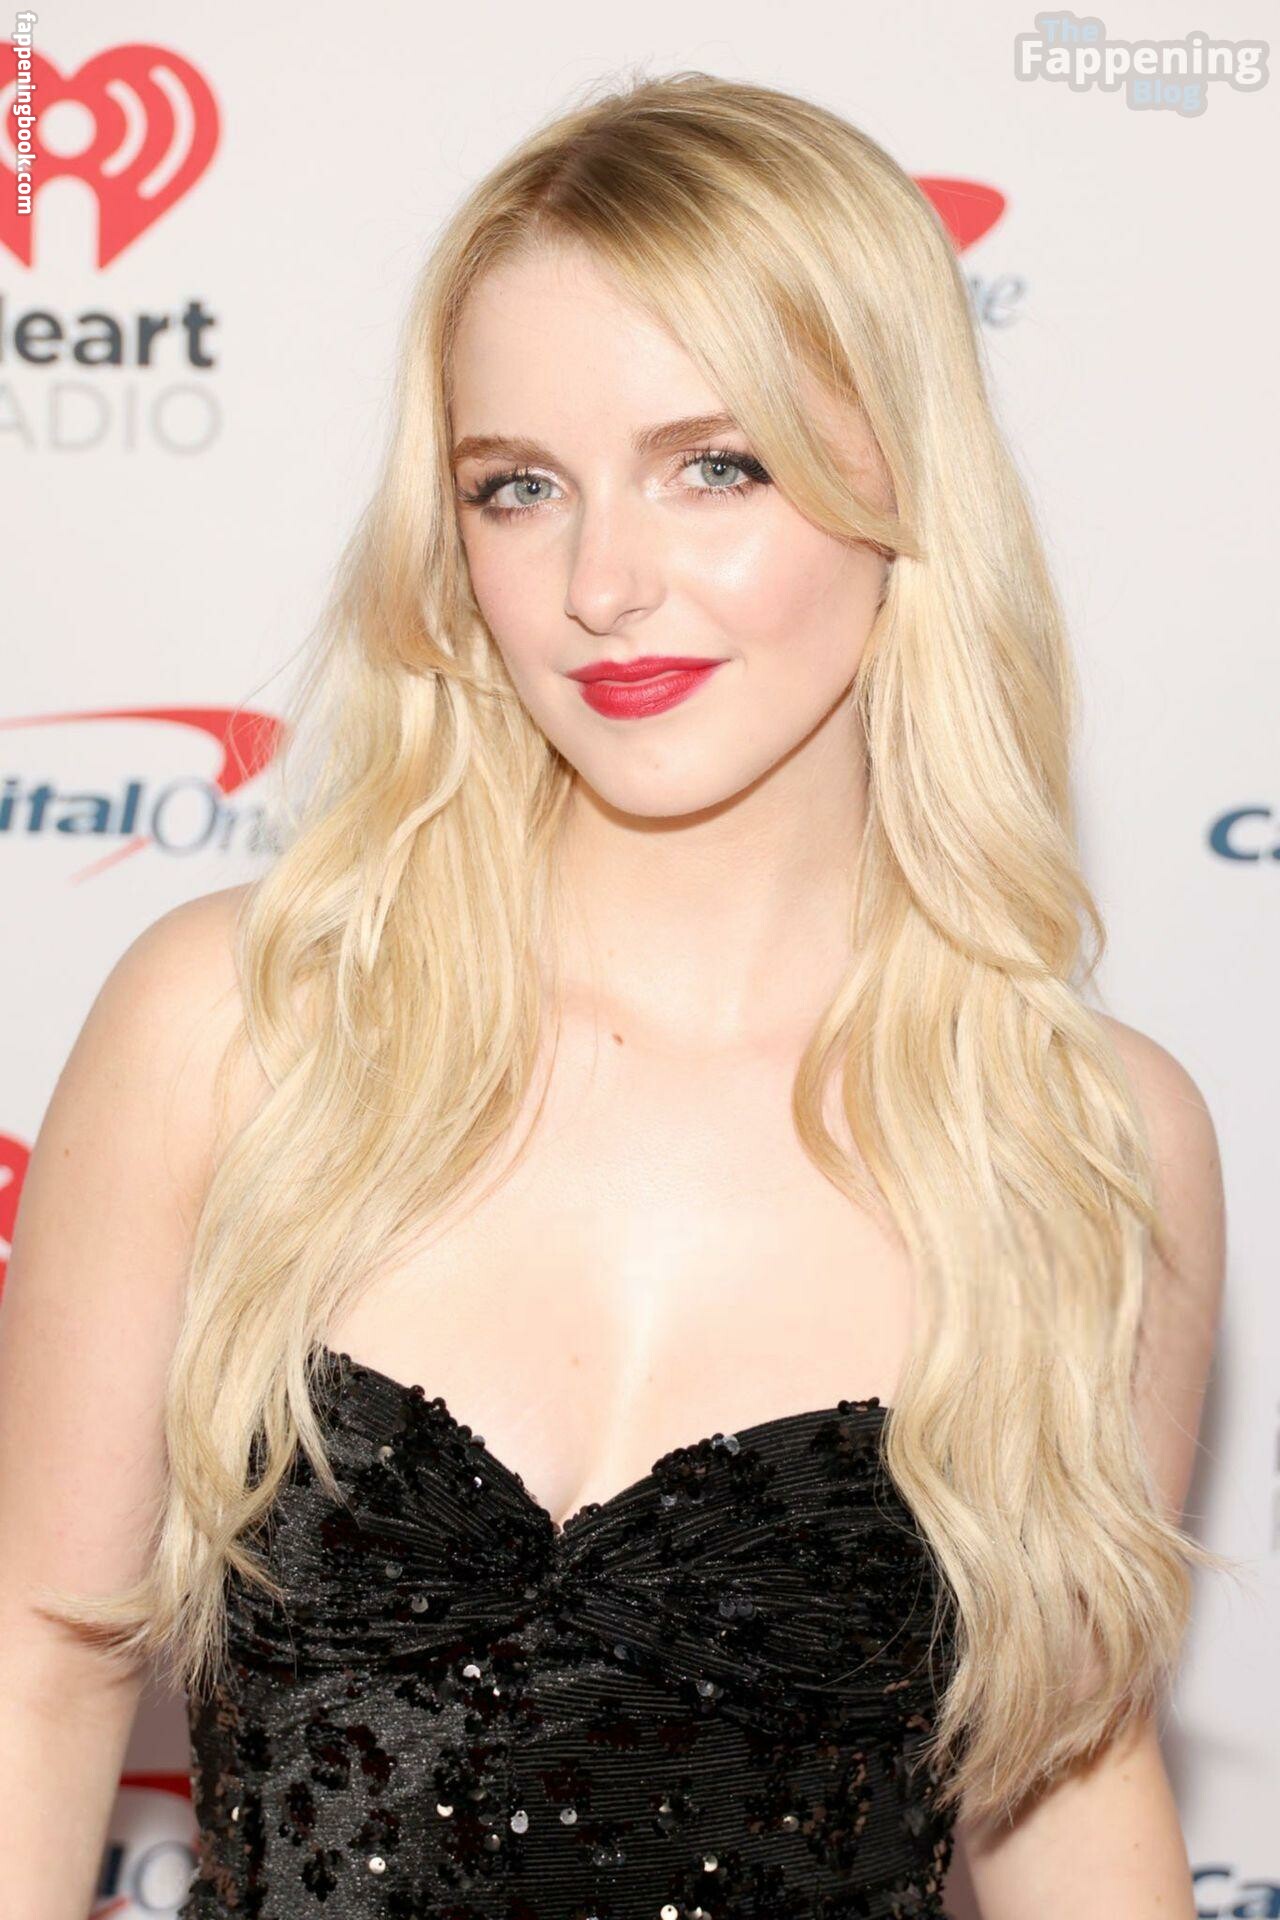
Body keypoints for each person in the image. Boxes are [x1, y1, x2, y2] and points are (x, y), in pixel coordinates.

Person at [0, 68, 1231, 1920]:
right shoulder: (236, 1029)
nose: (602, 584)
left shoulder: (1078, 1136)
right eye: (520, 488)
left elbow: (1063, 1782)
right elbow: (36, 1668)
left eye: (714, 466)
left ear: (905, 489)